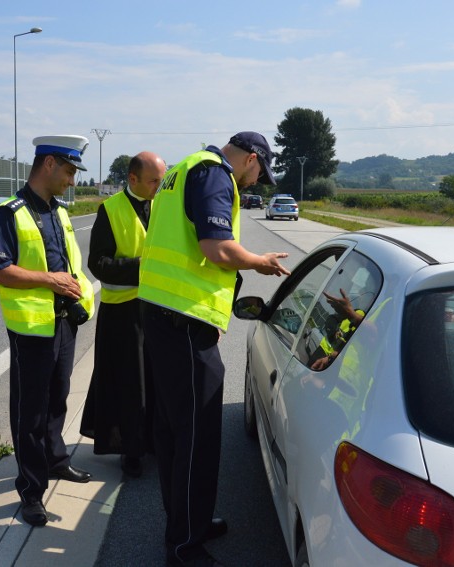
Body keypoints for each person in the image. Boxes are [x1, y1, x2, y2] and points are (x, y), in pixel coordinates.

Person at [138, 132, 290, 567]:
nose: (256, 182)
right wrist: (260, 262)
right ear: (252, 159)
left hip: (167, 314)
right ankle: (185, 546)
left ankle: (188, 522)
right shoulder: (214, 174)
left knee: (172, 432)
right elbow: (216, 248)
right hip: (181, 321)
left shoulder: (183, 170)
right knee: (196, 436)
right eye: (260, 172)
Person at [0, 134, 96, 528]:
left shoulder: (60, 212)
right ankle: (31, 491)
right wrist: (49, 281)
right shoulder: (9, 213)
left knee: (57, 400)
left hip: (64, 322)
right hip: (32, 329)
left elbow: (72, 266)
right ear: (48, 164)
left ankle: (55, 461)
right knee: (30, 413)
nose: (72, 180)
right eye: (68, 171)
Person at [80, 151, 167, 478]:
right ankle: (131, 450)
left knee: (157, 381)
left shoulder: (163, 205)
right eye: (154, 181)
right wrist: (142, 269)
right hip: (123, 315)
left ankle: (154, 442)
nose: (160, 186)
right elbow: (98, 264)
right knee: (130, 385)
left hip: (158, 308)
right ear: (133, 179)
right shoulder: (111, 209)